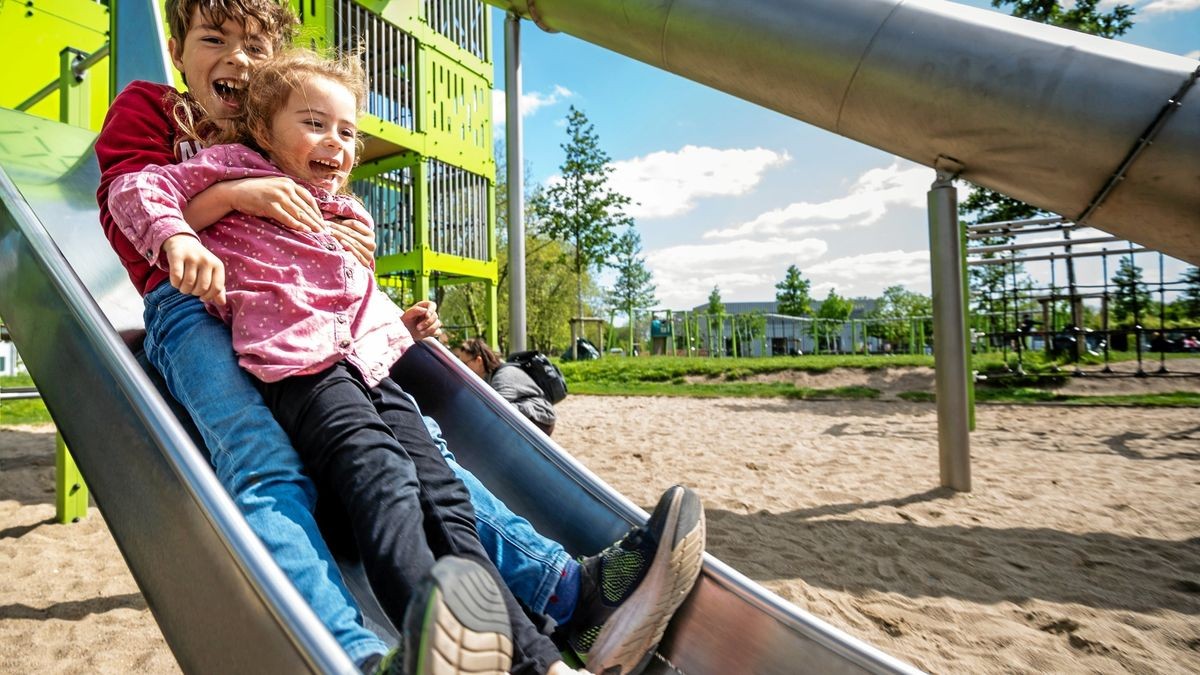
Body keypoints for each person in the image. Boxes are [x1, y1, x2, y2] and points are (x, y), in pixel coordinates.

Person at [94, 2, 703, 672]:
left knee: (427, 452)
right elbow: (131, 194)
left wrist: (373, 299)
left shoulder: (277, 140)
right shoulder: (158, 111)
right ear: (178, 48)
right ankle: (348, 652)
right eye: (215, 41)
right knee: (260, 458)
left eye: (255, 48)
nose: (237, 60)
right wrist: (230, 201)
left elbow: (322, 259)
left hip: (310, 328)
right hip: (191, 306)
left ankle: (566, 591)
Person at [453, 338, 557, 435]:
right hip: (533, 416)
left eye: (464, 364)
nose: (461, 368)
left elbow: (496, 411)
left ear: (478, 361)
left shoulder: (502, 376)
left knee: (494, 413)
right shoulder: (489, 376)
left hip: (541, 418)